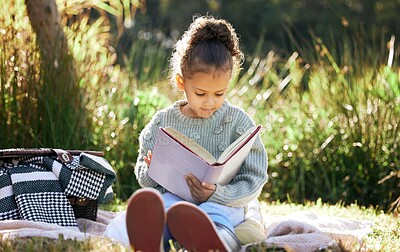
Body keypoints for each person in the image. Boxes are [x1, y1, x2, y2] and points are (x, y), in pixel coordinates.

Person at [104, 15, 268, 251]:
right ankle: (156, 239)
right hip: (177, 200)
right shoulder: (163, 121)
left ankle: (218, 242)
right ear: (182, 82)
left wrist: (216, 193)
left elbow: (254, 178)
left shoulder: (239, 122)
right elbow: (145, 172)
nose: (210, 102)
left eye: (219, 93)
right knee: (166, 207)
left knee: (214, 214)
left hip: (225, 203)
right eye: (200, 94)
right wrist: (151, 170)